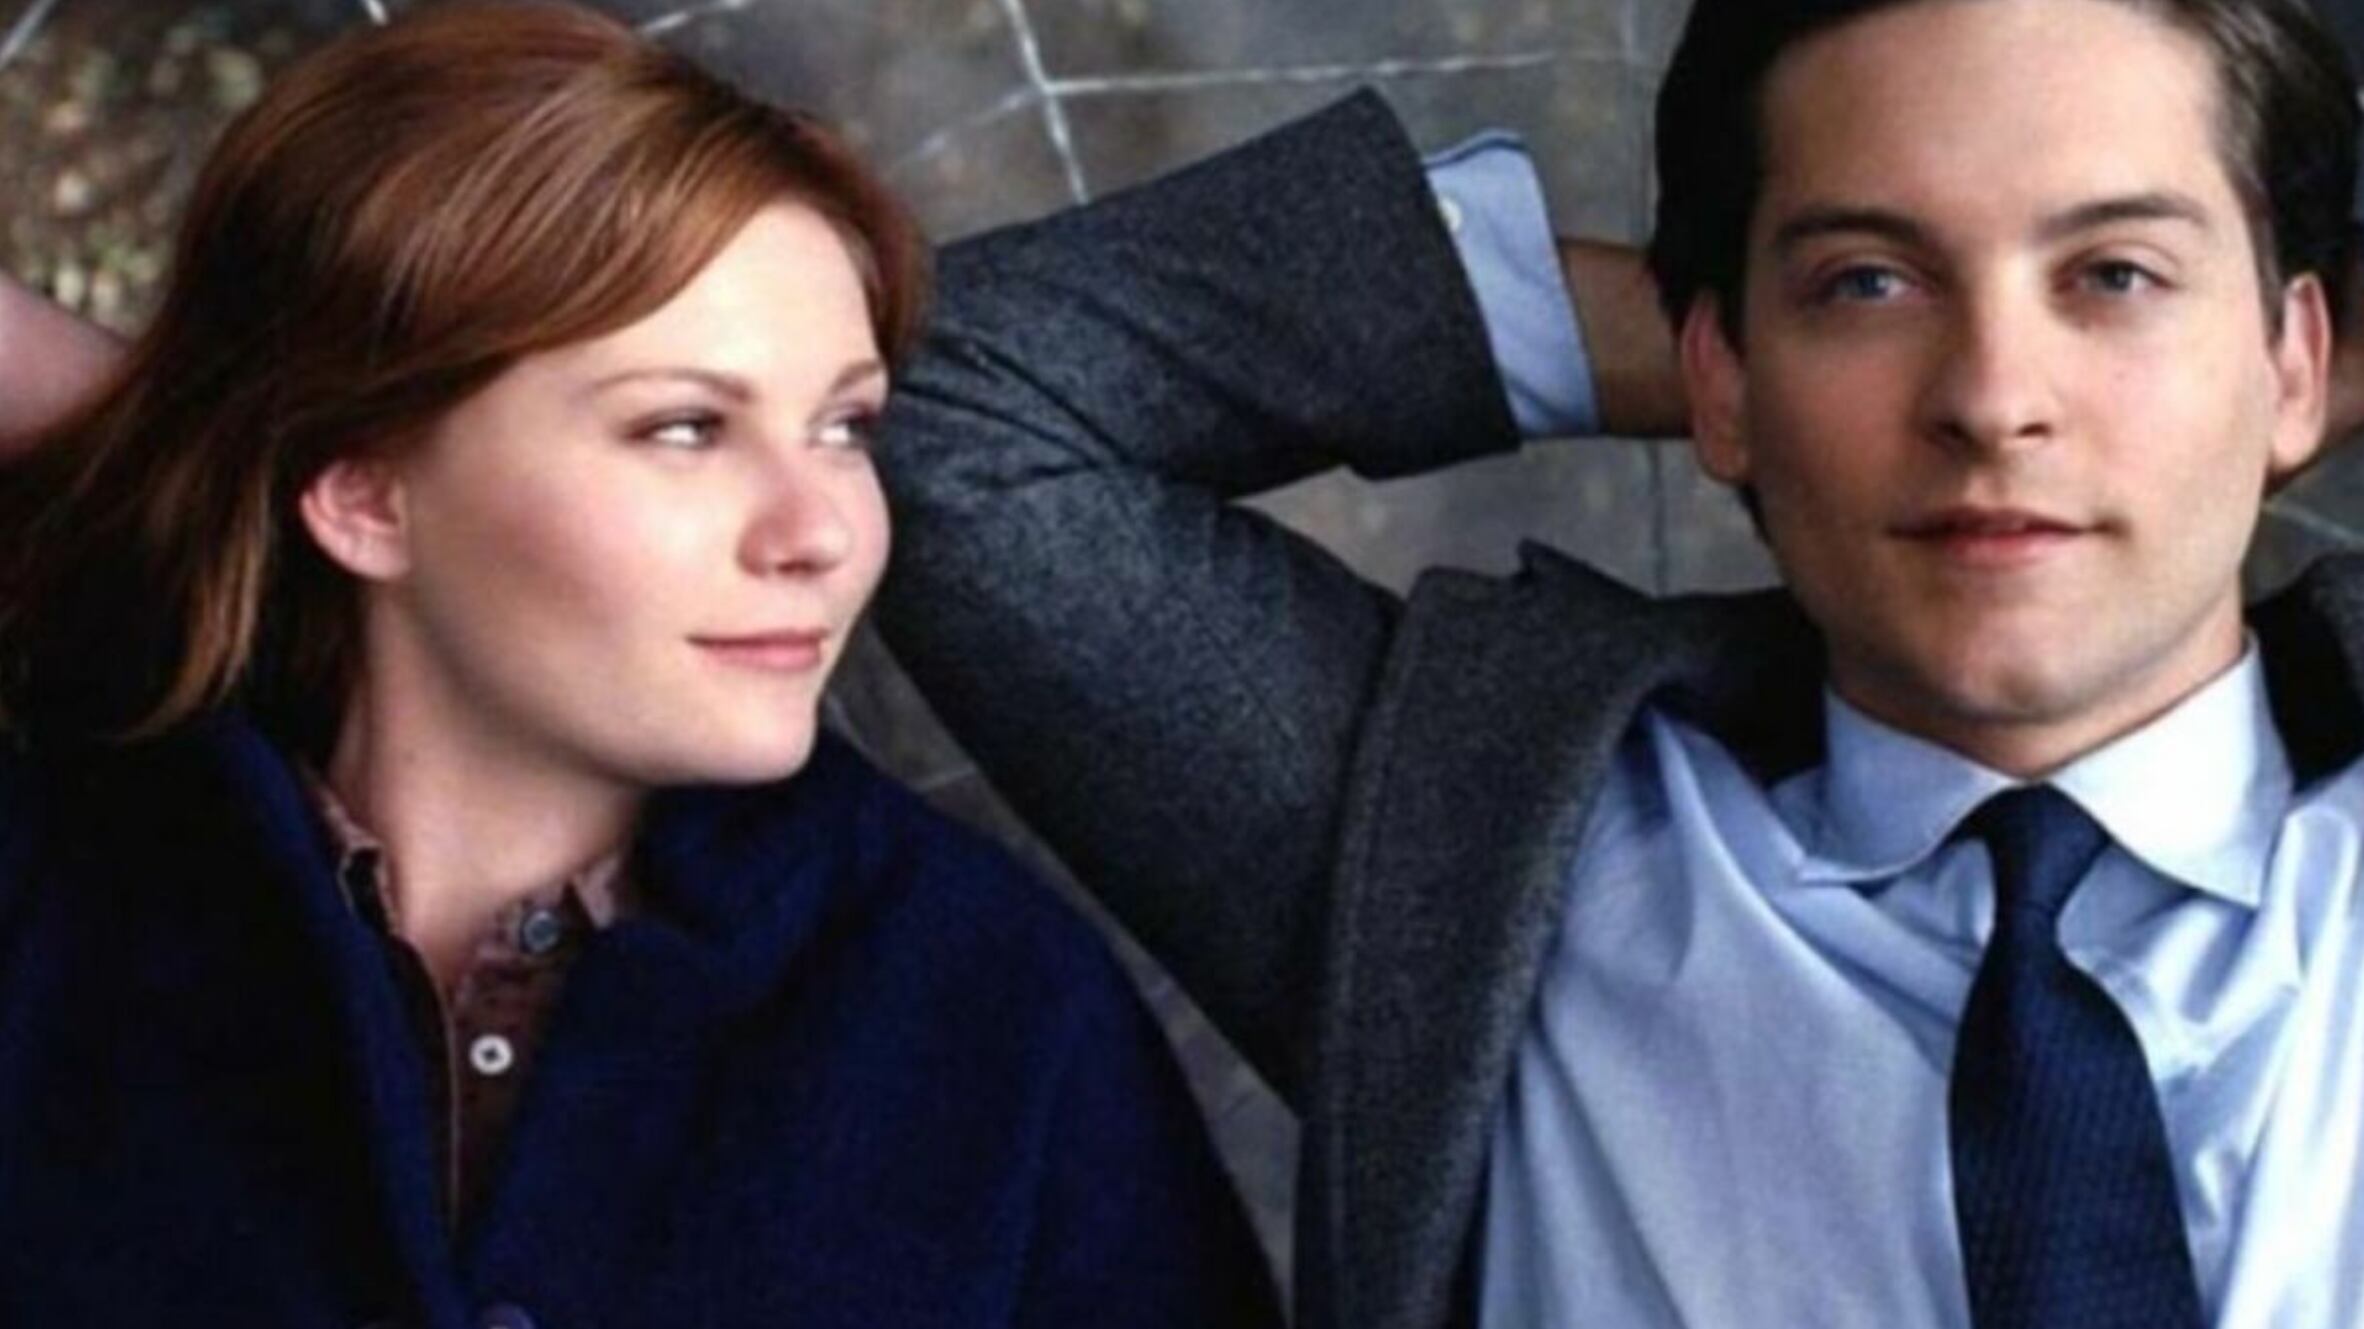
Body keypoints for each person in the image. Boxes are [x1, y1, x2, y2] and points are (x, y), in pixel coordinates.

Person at [864, 0, 2364, 1327]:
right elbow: (943, 415)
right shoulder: (1478, 860)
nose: (1993, 396)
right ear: (1720, 372)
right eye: (1867, 283)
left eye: (2115, 274)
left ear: (2299, 360)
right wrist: (1719, 363)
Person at [0, 4, 1279, 1326]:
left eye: (845, 426)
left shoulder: (990, 1006)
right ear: (365, 494)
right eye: (684, 427)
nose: (821, 531)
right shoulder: (53, 909)